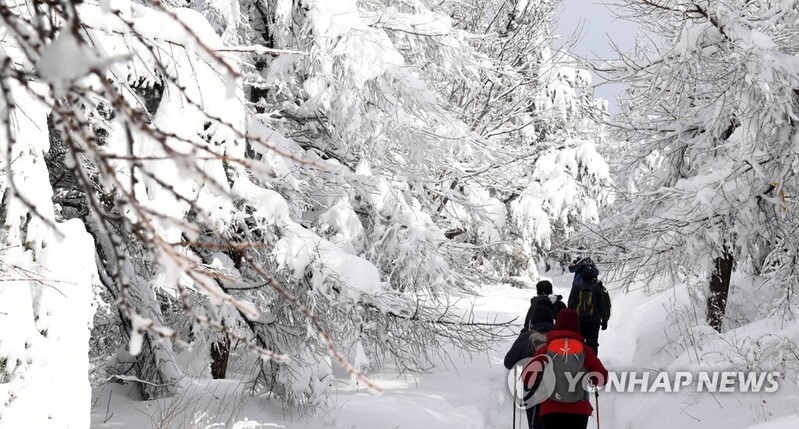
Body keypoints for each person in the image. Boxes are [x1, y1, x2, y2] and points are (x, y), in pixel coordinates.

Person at [531, 309, 608, 429]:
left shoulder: (545, 349)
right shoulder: (585, 350)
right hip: (579, 411)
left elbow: (527, 377)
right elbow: (602, 378)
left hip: (551, 410)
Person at [505, 306, 556, 429]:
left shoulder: (526, 337)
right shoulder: (557, 338)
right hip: (555, 388)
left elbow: (508, 362)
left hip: (531, 388)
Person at [568, 267, 611, 355]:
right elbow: (601, 306)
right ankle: (592, 364)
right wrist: (605, 321)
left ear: (582, 277)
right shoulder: (597, 290)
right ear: (593, 277)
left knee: (578, 343)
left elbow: (570, 304)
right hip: (594, 321)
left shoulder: (576, 288)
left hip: (578, 321)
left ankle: (579, 363)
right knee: (592, 344)